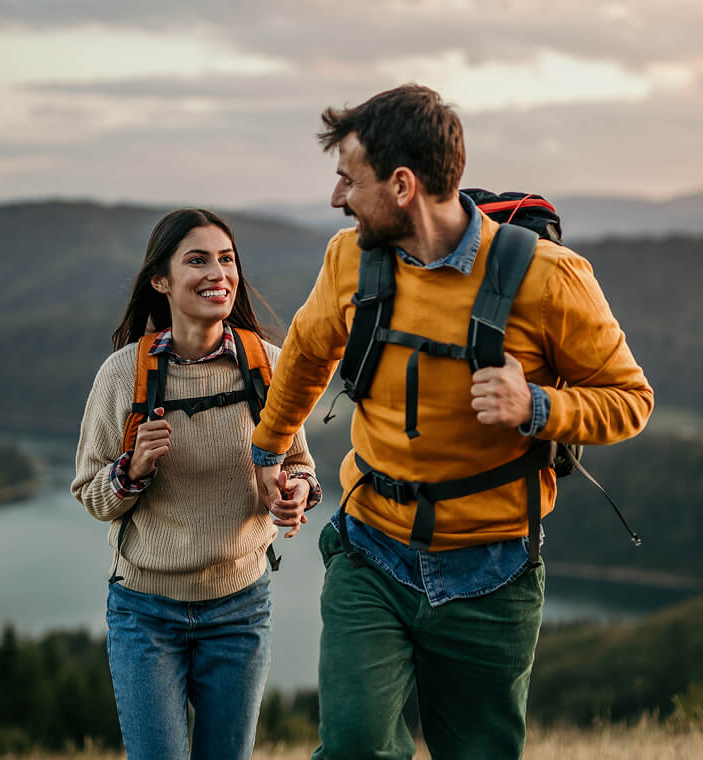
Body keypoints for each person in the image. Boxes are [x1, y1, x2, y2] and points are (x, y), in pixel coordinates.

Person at [251, 85, 654, 759]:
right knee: (353, 746)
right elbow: (304, 354)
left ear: (403, 185)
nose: (336, 198)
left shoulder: (548, 279)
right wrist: (267, 452)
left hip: (493, 572)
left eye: (349, 180)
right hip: (370, 549)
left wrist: (539, 407)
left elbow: (629, 398)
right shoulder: (348, 259)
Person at [72, 208, 320, 760]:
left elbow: (301, 464)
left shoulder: (269, 366)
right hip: (144, 612)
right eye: (198, 260)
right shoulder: (122, 375)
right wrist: (130, 471)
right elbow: (90, 492)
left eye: (227, 260)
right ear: (160, 281)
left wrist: (294, 491)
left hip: (240, 608)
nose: (218, 273)